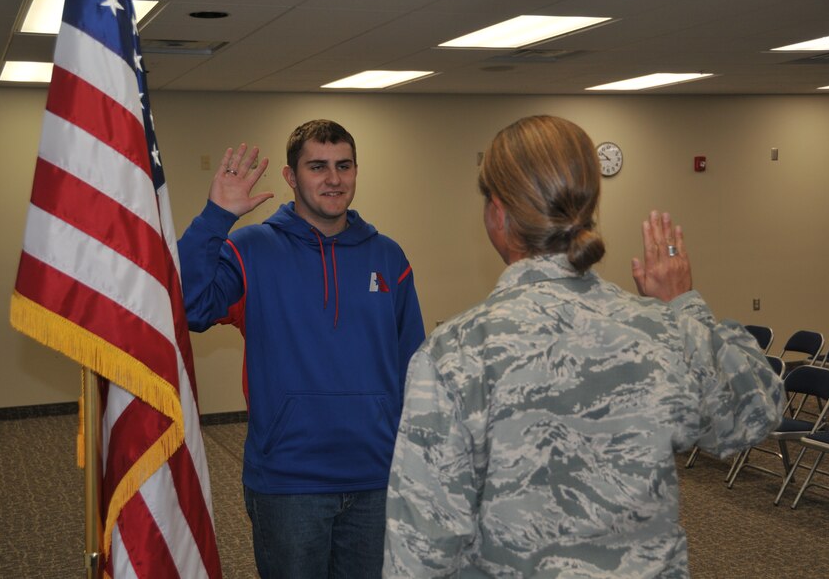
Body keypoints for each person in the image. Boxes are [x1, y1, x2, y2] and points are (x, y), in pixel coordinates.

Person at [383, 115, 784, 578]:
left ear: (497, 213)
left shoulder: (455, 353)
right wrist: (683, 305)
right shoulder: (660, 331)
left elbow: (421, 547)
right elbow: (754, 412)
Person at [178, 119, 425, 578]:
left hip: (376, 476)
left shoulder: (388, 257)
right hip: (289, 480)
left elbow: (415, 366)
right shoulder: (250, 249)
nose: (333, 178)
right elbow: (189, 307)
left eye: (343, 166)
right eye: (317, 166)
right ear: (292, 177)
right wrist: (216, 217)